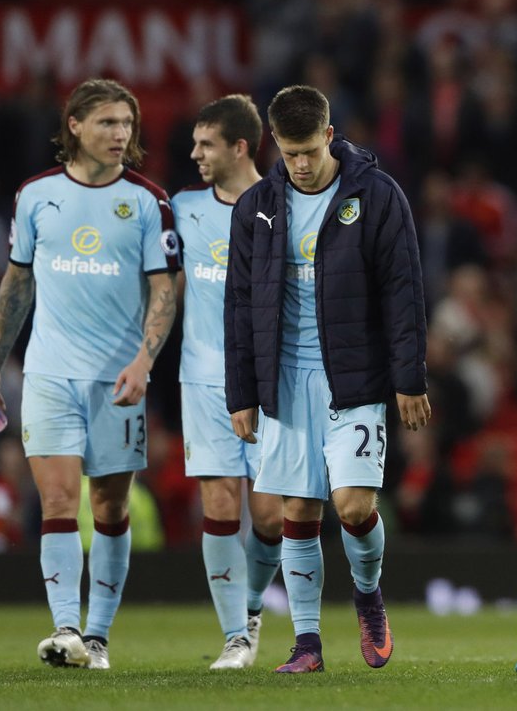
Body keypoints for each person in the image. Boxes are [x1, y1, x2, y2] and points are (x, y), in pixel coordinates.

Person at [0, 78, 180, 669]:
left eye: (127, 125)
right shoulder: (35, 196)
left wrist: (145, 360)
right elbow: (17, 283)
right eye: (109, 123)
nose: (121, 135)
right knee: (59, 499)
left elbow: (164, 289)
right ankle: (66, 629)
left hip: (118, 381)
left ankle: (99, 636)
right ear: (75, 126)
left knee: (110, 509)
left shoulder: (146, 200)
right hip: (49, 373)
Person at [224, 85, 430, 674]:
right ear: (276, 149)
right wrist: (242, 393)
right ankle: (307, 644)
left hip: (355, 379)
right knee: (298, 513)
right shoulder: (257, 207)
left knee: (353, 505)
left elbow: (404, 290)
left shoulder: (376, 195)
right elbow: (240, 306)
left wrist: (408, 378)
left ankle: (367, 595)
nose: (303, 165)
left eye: (311, 150)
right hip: (285, 380)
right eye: (291, 154)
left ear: (330, 137)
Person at [172, 94, 286, 670]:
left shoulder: (285, 204)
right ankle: (236, 638)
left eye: (205, 144)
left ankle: (251, 609)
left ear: (240, 147)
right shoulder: (182, 208)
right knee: (219, 502)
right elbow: (162, 287)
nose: (194, 153)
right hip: (203, 378)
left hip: (271, 383)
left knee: (268, 516)